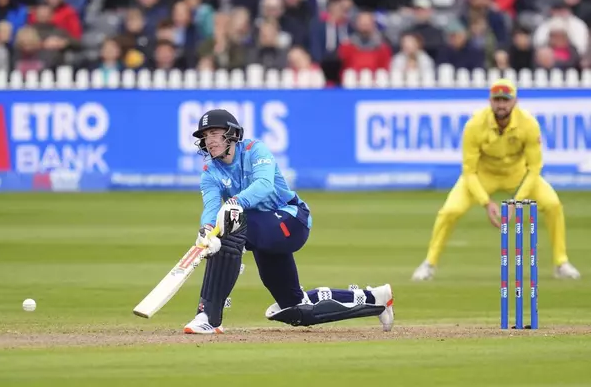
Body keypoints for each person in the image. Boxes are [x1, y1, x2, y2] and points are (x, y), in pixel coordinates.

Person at [184, 109, 395, 334]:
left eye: (215, 133)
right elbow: (211, 207)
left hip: (290, 220)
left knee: (233, 223)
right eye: (205, 136)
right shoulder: (209, 172)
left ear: (232, 133)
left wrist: (233, 206)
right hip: (261, 233)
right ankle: (376, 298)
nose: (210, 140)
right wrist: (207, 231)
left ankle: (208, 315)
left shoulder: (254, 150)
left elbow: (264, 185)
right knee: (295, 307)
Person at [411, 79, 582, 281]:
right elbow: (469, 171)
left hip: (518, 175)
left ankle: (561, 262)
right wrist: (486, 202)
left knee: (553, 204)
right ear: (490, 101)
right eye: (497, 100)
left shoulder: (528, 124)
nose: (501, 105)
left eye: (505, 100)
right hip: (483, 176)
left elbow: (534, 169)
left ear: (515, 101)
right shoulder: (475, 124)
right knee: (450, 211)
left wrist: (516, 201)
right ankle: (429, 263)